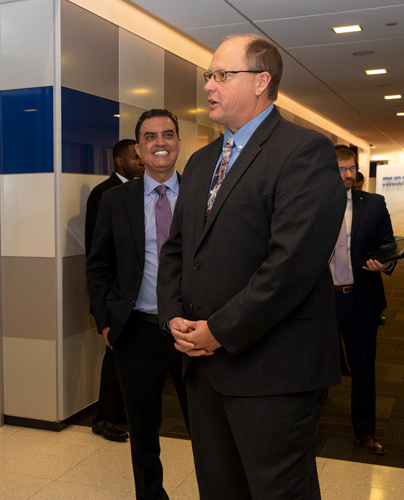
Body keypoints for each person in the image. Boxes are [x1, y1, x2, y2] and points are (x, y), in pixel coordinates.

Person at [157, 34, 346, 499]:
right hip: (203, 370)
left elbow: (291, 266)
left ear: (262, 81)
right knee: (219, 489)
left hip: (272, 373)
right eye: (209, 75)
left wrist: (219, 331)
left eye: (222, 75)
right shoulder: (201, 162)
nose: (208, 86)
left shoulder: (303, 151)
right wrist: (173, 314)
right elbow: (177, 251)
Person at [87, 109, 189, 500]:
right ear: (139, 149)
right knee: (143, 434)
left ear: (178, 142)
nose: (160, 142)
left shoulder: (201, 195)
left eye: (168, 134)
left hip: (192, 332)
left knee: (209, 429)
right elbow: (98, 264)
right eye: (150, 136)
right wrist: (105, 321)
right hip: (137, 331)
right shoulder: (115, 200)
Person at [333, 145, 394, 454]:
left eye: (352, 168)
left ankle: (365, 431)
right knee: (311, 364)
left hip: (360, 300)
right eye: (342, 168)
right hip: (319, 301)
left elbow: (387, 246)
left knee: (363, 368)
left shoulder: (373, 204)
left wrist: (385, 262)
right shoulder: (308, 204)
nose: (349, 174)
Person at [85, 138, 144, 442]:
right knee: (114, 357)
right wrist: (104, 305)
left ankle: (119, 412)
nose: (141, 162)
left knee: (128, 358)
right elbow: (97, 252)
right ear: (120, 161)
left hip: (136, 294)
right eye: (135, 157)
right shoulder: (104, 194)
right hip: (115, 295)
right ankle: (104, 417)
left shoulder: (140, 191)